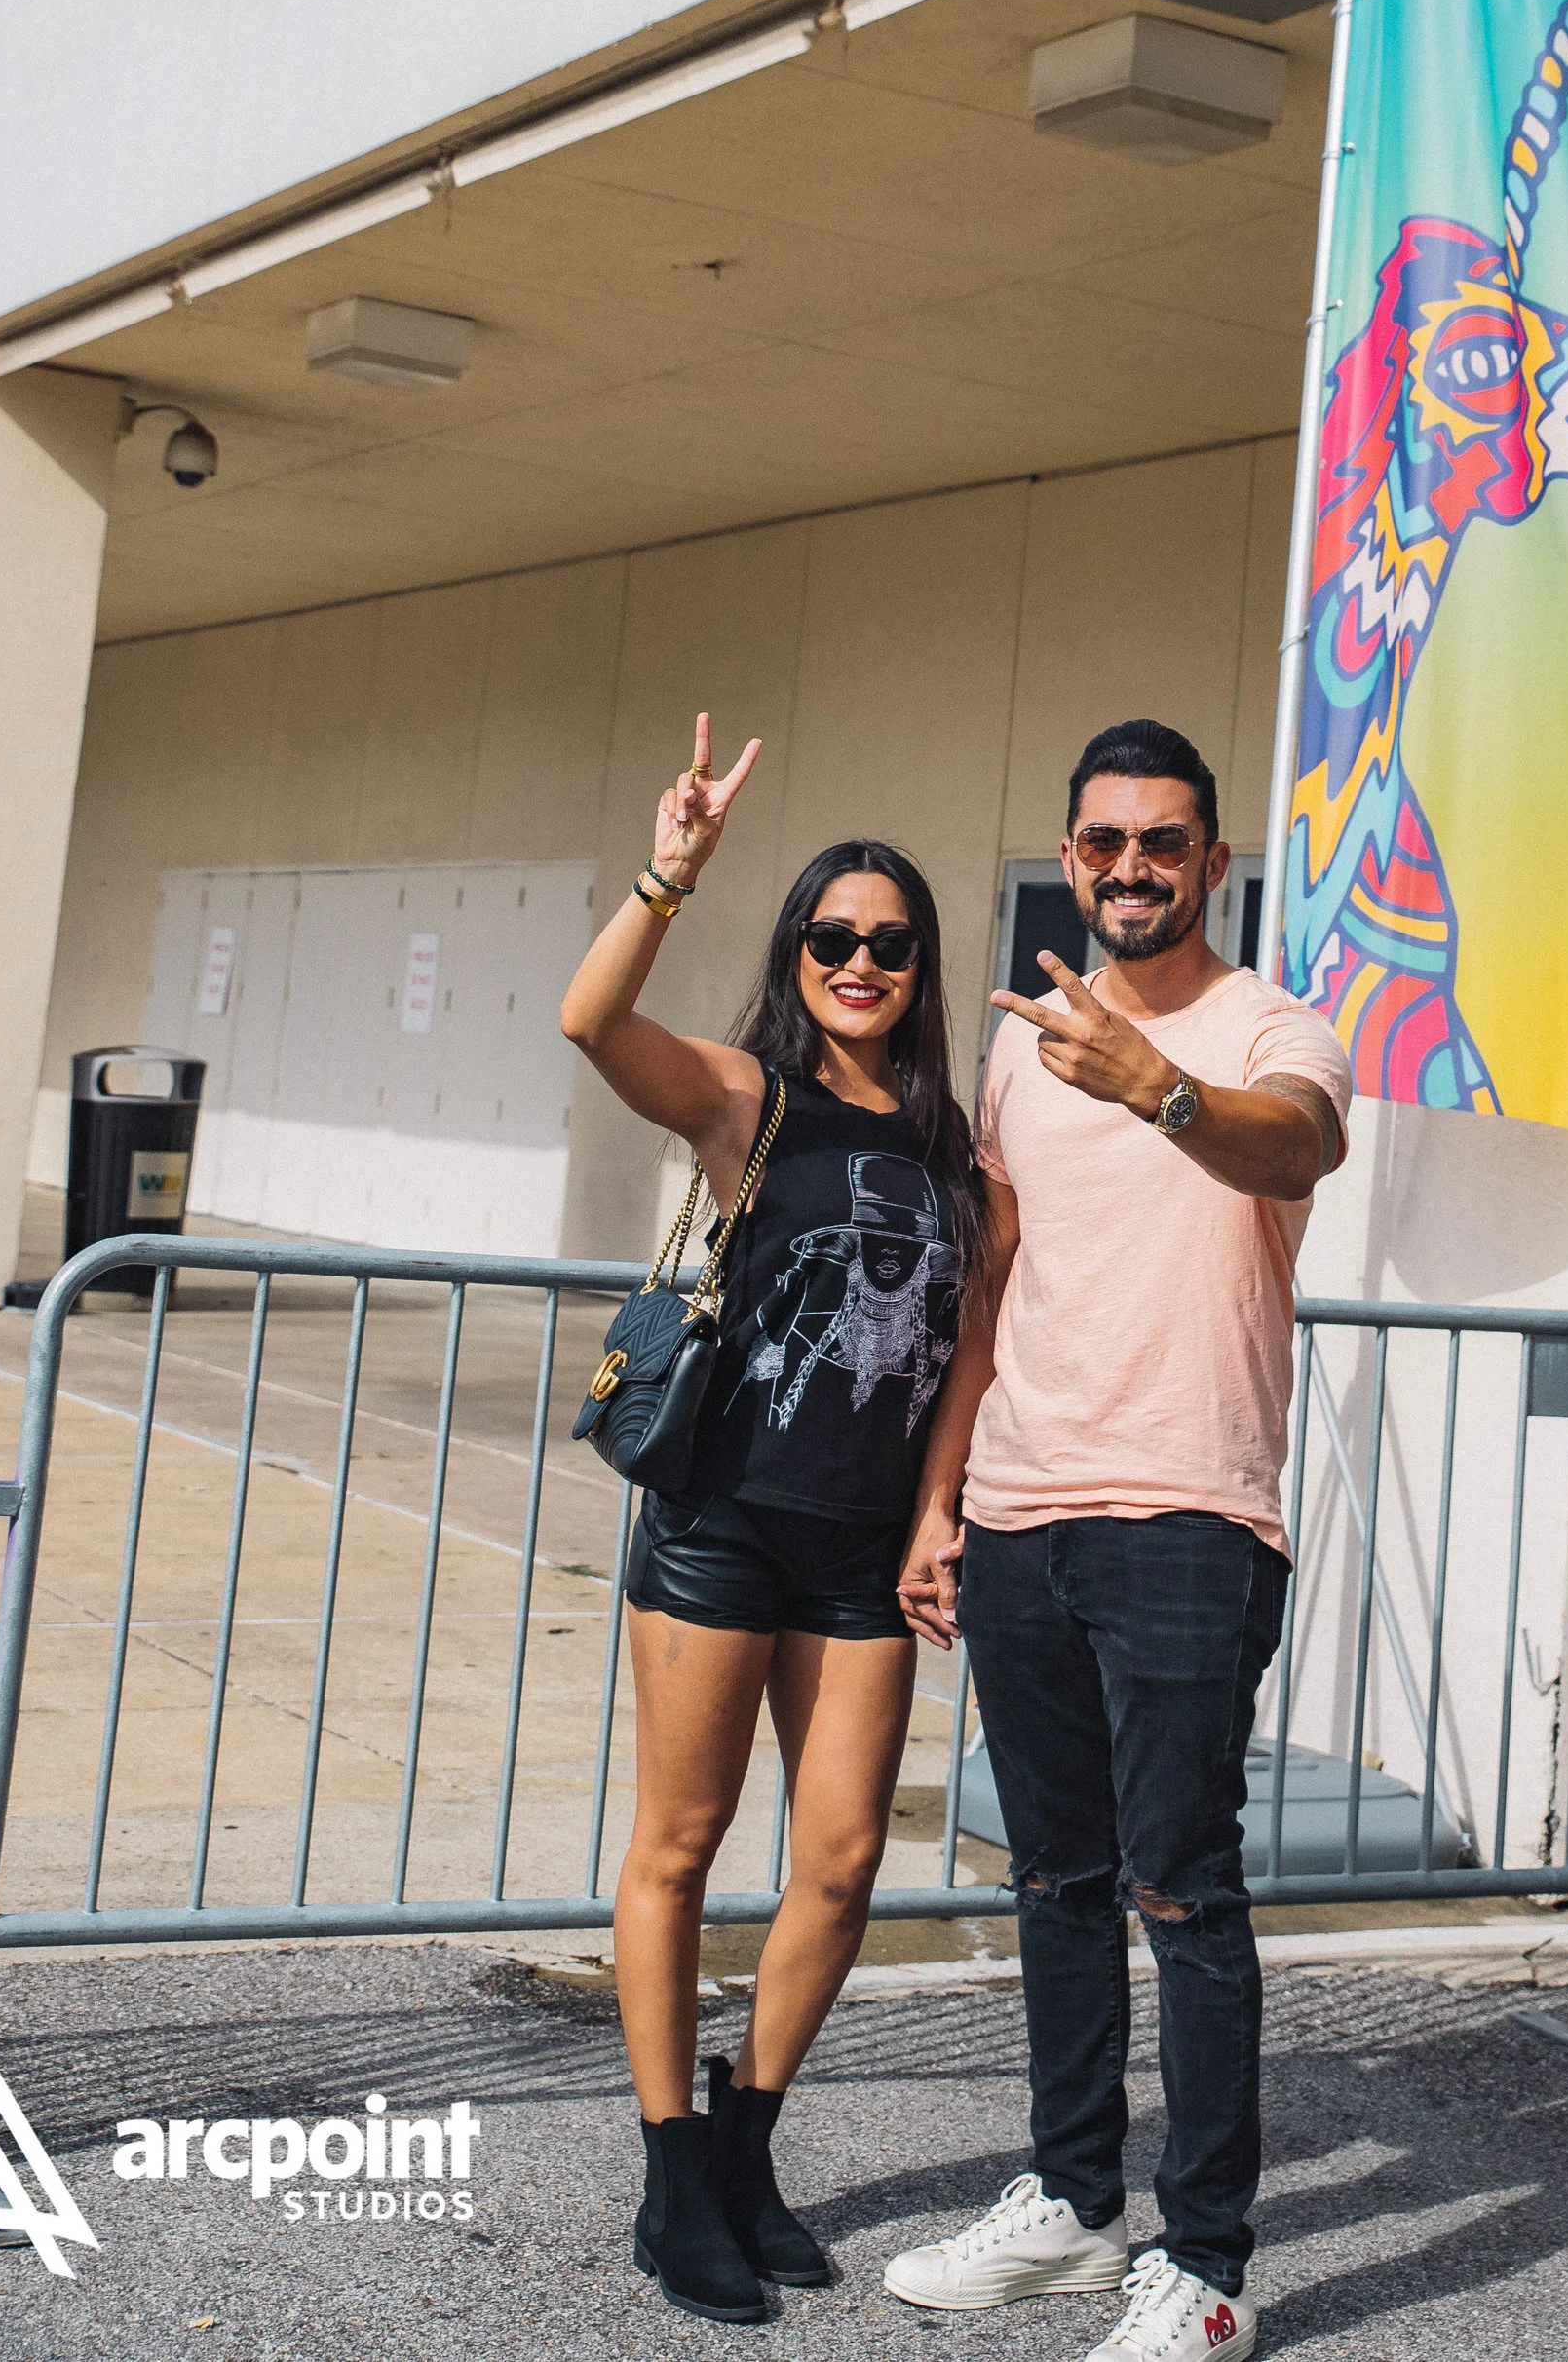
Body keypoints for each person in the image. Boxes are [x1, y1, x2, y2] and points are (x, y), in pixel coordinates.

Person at [886, 720, 1350, 2362]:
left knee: (1183, 1886)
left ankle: (1207, 2261)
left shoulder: (1269, 1024)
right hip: (1021, 1509)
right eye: (1104, 841)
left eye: (1165, 840)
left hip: (1189, 1514)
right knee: (1059, 1881)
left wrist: (1156, 1085)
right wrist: (941, 1499)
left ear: (1213, 860)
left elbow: (1294, 1142)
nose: (1132, 866)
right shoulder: (1025, 1044)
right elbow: (995, 1286)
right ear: (1070, 855)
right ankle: (1077, 2210)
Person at [560, 717, 983, 2325]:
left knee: (847, 1856)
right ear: (798, 950)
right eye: (833, 935)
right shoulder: (749, 1097)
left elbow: (970, 1352)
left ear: (919, 964)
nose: (860, 959)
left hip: (863, 1551)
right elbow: (591, 1018)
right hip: (721, 1525)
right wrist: (673, 868)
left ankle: (747, 2144)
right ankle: (672, 2176)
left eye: (888, 941)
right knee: (679, 1842)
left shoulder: (957, 1158)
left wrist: (939, 1510)